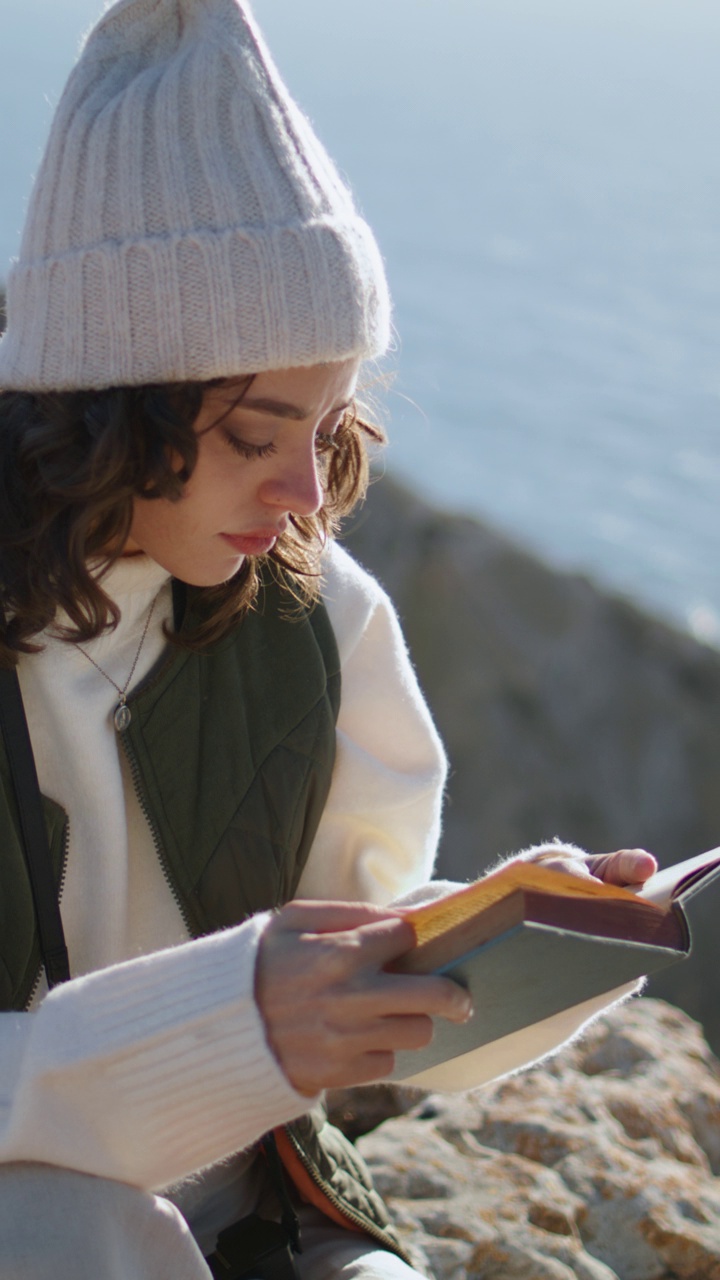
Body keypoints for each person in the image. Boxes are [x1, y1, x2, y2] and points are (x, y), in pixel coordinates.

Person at [0, 1, 657, 1277]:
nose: (308, 491)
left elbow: (348, 999)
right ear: (105, 410)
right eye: (257, 436)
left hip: (274, 1218)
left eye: (330, 424)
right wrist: (224, 1019)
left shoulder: (322, 617)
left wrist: (519, 929)